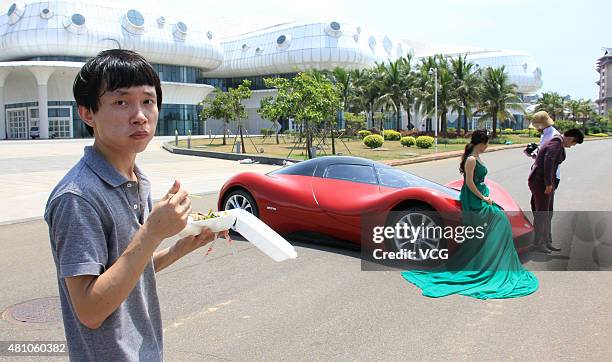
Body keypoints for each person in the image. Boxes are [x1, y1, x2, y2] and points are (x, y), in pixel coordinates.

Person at [44, 49, 229, 361]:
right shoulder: (77, 198)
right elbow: (90, 310)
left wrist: (179, 248)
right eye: (121, 102)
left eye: (148, 101)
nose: (140, 115)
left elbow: (126, 270)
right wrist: (153, 232)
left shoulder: (136, 179)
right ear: (88, 113)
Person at [402, 130, 539, 299]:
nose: (487, 147)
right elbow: (469, 183)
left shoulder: (476, 157)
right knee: (500, 219)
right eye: (486, 143)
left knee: (499, 218)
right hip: (473, 198)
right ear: (480, 143)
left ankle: (490, 260)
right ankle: (487, 262)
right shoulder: (471, 159)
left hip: (480, 194)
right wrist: (483, 197)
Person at [528, 128, 584, 254]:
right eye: (574, 143)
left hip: (547, 182)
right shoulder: (556, 144)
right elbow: (548, 163)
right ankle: (538, 243)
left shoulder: (557, 141)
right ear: (570, 138)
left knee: (548, 212)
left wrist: (550, 183)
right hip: (540, 182)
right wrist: (548, 184)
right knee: (542, 213)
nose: (572, 146)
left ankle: (547, 241)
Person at [524, 111, 562, 250]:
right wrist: (533, 154)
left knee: (543, 211)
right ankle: (545, 240)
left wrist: (548, 183)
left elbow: (549, 162)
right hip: (545, 177)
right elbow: (543, 158)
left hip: (546, 179)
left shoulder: (553, 137)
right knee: (543, 209)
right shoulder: (546, 134)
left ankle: (540, 243)